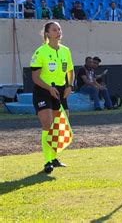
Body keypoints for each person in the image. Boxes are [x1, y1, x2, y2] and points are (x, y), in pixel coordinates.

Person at [30, 21, 74, 174]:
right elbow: (35, 78)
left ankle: (54, 157)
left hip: (61, 91)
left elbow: (70, 71)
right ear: (47, 33)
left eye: (59, 29)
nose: (58, 32)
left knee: (60, 126)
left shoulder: (66, 51)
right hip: (43, 91)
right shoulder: (40, 52)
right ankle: (47, 161)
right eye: (54, 29)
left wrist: (69, 86)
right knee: (47, 124)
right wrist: (49, 88)